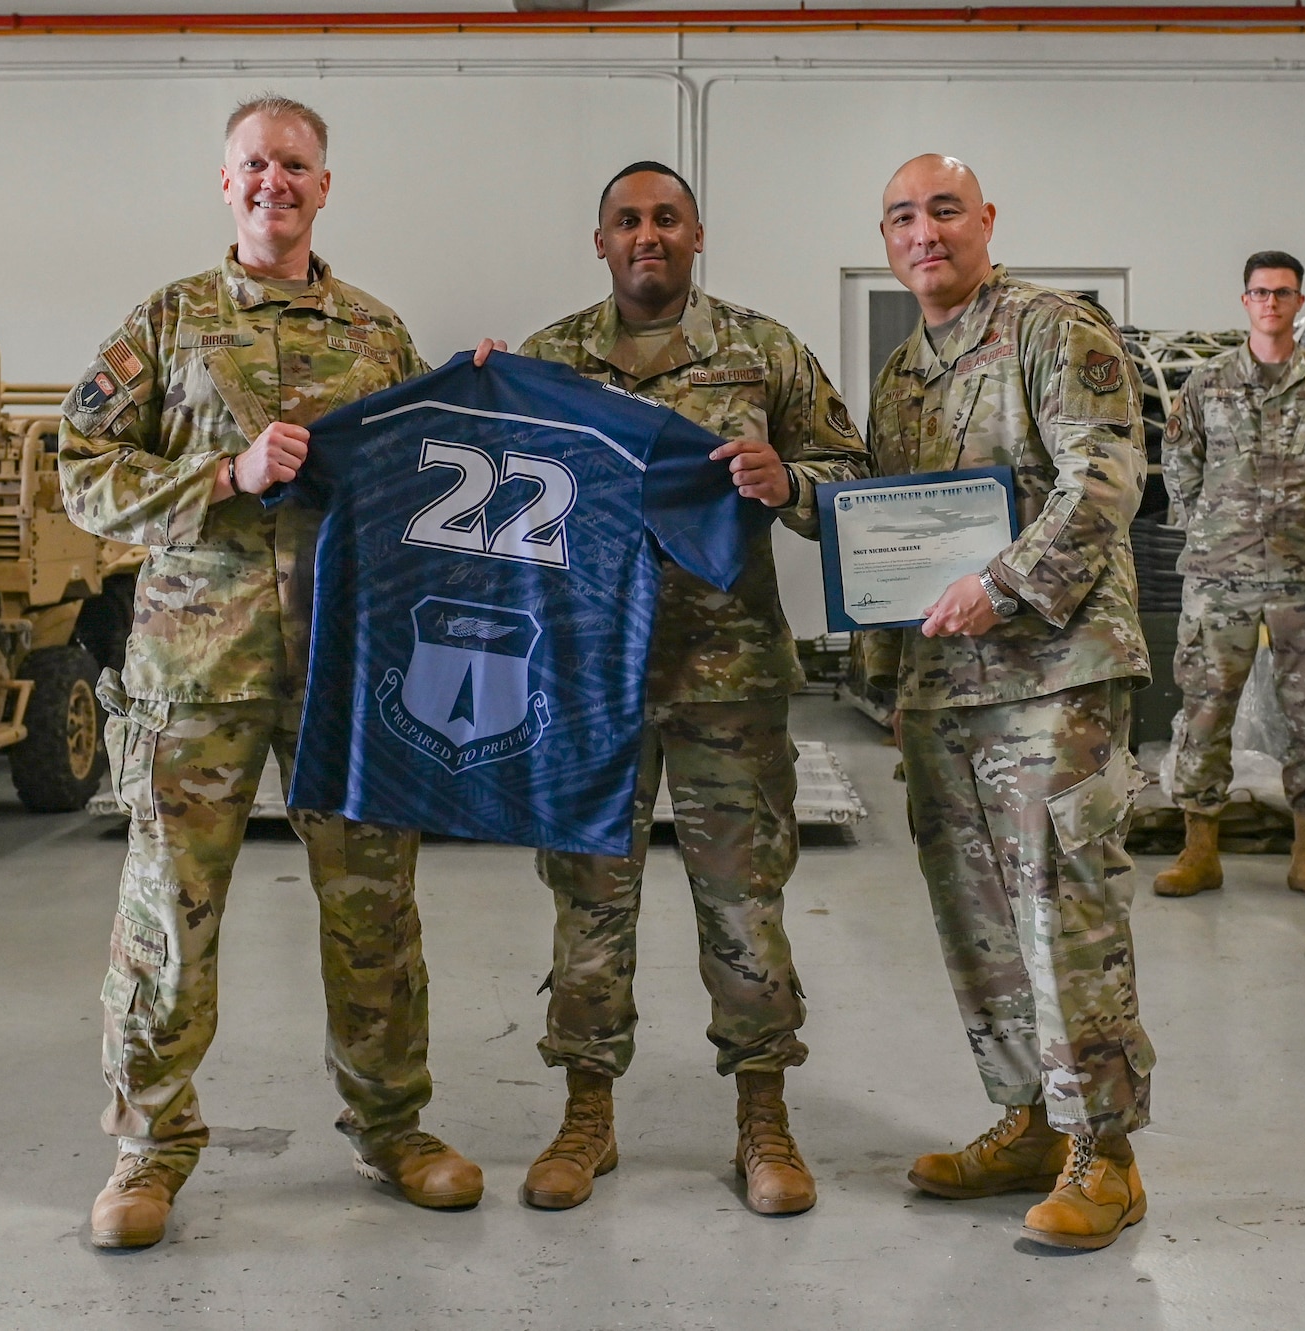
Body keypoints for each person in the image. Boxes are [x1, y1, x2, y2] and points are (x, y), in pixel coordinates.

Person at [57, 95, 481, 1250]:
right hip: (196, 669)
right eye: (253, 163)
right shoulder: (167, 323)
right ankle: (149, 1146)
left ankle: (392, 1125)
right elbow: (80, 471)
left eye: (294, 165)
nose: (272, 182)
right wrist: (222, 475)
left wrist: (479, 396)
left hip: (345, 668)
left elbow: (429, 477)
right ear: (225, 181)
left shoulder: (377, 334)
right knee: (168, 911)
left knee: (373, 903)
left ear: (323, 185)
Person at [498, 160, 867, 1216]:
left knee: (744, 907)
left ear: (697, 235)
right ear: (600, 241)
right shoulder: (545, 361)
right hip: (589, 684)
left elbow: (851, 478)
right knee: (588, 905)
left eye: (666, 217)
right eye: (627, 220)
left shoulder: (763, 350)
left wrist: (788, 482)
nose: (646, 234)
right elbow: (495, 501)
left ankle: (764, 1118)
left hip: (726, 678)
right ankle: (586, 1116)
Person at [865, 154, 1154, 1252]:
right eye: (903, 216)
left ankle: (1105, 1153)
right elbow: (890, 529)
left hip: (1054, 674)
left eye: (944, 209)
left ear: (985, 219)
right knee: (978, 918)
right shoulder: (903, 372)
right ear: (886, 241)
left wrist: (1004, 584)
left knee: (1062, 910)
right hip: (948, 688)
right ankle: (1032, 1119)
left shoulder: (1052, 329)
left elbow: (1105, 479)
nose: (924, 231)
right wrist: (892, 682)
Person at [1153, 252, 1305, 904]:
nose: (1271, 302)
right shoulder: (1208, 381)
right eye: (1260, 292)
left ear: (1299, 302)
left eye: (1282, 292)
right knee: (1205, 708)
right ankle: (1199, 851)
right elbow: (1180, 463)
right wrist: (1212, 529)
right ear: (1245, 300)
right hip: (1221, 574)